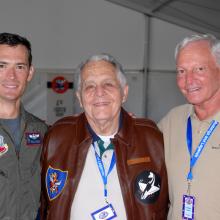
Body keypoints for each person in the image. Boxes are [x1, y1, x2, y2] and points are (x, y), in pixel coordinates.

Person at [40, 53, 168, 219]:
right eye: (90, 86)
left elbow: (168, 204)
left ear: (124, 93)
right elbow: (43, 205)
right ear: (79, 97)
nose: (99, 92)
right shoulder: (57, 138)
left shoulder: (152, 140)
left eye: (108, 84)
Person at [158, 33, 220, 220]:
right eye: (181, 71)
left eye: (199, 69)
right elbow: (137, 146)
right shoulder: (173, 120)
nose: (189, 81)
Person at [0, 33, 48, 220]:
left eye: (19, 67)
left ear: (30, 73)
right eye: (2, 66)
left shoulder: (42, 131)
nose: (11, 76)